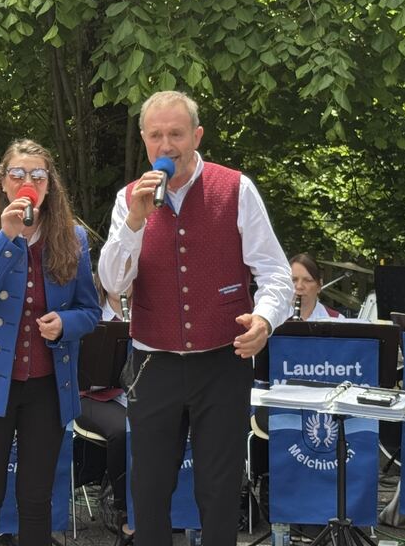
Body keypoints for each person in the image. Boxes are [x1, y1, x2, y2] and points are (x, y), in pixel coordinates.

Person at [99, 90, 294, 546]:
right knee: (148, 492)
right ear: (145, 140)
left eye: (176, 134)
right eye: (156, 136)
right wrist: (134, 225)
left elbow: (276, 274)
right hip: (153, 363)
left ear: (197, 135)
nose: (166, 146)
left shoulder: (235, 188)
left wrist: (264, 321)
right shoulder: (129, 199)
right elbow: (111, 279)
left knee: (220, 490)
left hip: (222, 362)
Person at [0, 139, 100, 546]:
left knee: (36, 499)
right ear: (3, 182)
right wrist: (7, 238)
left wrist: (65, 323)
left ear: (50, 185)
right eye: (17, 174)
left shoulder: (73, 238)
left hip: (47, 386)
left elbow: (91, 310)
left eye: (37, 175)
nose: (27, 181)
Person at [74, 288, 131, 542]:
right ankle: (124, 510)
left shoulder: (144, 313)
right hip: (89, 395)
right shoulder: (91, 315)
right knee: (122, 430)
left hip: (129, 396)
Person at [289, 253, 341, 321]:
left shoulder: (337, 320)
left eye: (307, 280)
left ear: (319, 285)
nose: (299, 286)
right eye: (293, 280)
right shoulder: (273, 319)